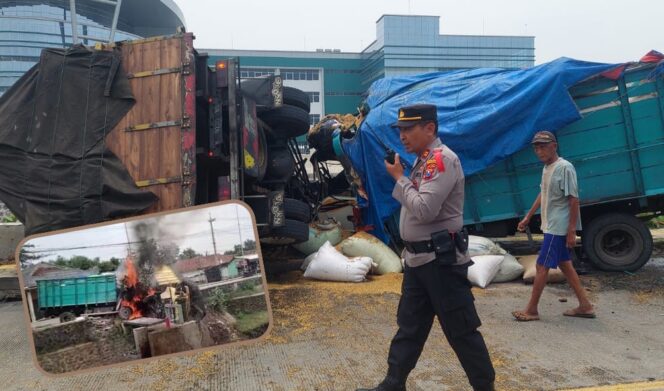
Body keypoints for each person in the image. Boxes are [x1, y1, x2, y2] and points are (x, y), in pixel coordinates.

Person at [357, 104, 495, 391]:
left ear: (430, 128)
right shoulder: (423, 160)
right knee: (409, 327)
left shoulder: (441, 160)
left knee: (462, 331)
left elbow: (424, 209)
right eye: (401, 130)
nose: (403, 136)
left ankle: (485, 387)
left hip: (441, 263)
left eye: (409, 129)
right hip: (419, 262)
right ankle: (393, 384)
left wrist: (398, 178)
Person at [512, 130, 596, 322]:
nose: (539, 151)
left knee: (542, 265)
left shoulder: (565, 167)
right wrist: (528, 217)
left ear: (554, 146)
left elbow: (574, 200)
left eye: (543, 146)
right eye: (536, 148)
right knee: (565, 265)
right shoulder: (547, 168)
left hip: (559, 227)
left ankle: (531, 310)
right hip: (550, 225)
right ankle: (585, 305)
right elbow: (543, 194)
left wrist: (571, 230)